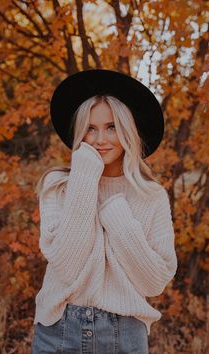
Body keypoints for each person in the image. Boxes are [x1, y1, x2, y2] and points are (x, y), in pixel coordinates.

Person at [31, 69, 178, 353]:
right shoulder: (58, 185)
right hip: (59, 330)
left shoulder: (151, 196)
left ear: (127, 131)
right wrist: (84, 177)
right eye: (90, 128)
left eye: (111, 127)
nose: (100, 139)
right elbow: (67, 264)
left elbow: (153, 282)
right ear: (79, 132)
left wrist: (117, 216)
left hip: (125, 335)